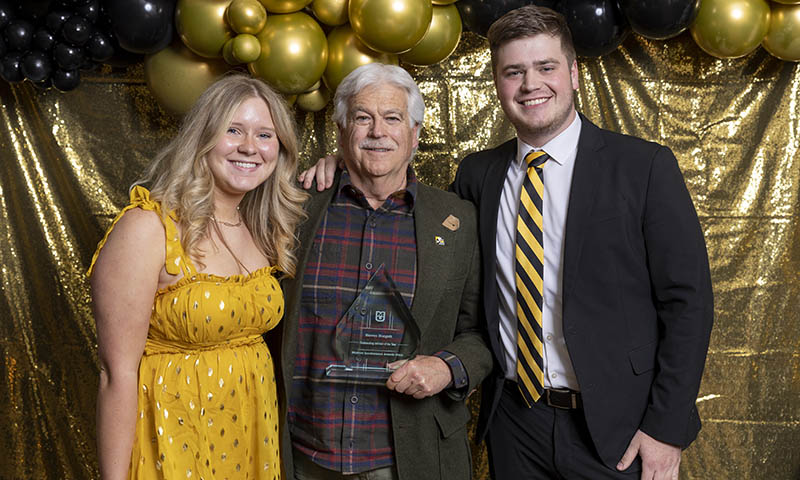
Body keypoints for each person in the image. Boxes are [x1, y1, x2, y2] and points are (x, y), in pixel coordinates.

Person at [300, 6, 714, 479]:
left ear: (574, 74)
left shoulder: (643, 168)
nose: (530, 84)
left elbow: (689, 303)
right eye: (513, 71)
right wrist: (345, 162)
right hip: (516, 423)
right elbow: (417, 225)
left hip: (620, 428)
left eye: (546, 67)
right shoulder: (478, 176)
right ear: (497, 83)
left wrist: (665, 427)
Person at [273, 63, 493, 480]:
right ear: (341, 132)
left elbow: (482, 332)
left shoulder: (458, 221)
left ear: (414, 135)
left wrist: (447, 366)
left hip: (411, 457)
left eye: (393, 118)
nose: (378, 131)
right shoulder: (293, 209)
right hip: (303, 456)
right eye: (362, 118)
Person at [89, 74, 307, 480]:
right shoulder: (149, 227)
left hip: (249, 441)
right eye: (234, 130)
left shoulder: (264, 229)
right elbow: (115, 375)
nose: (249, 147)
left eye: (265, 135)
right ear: (202, 137)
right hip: (171, 439)